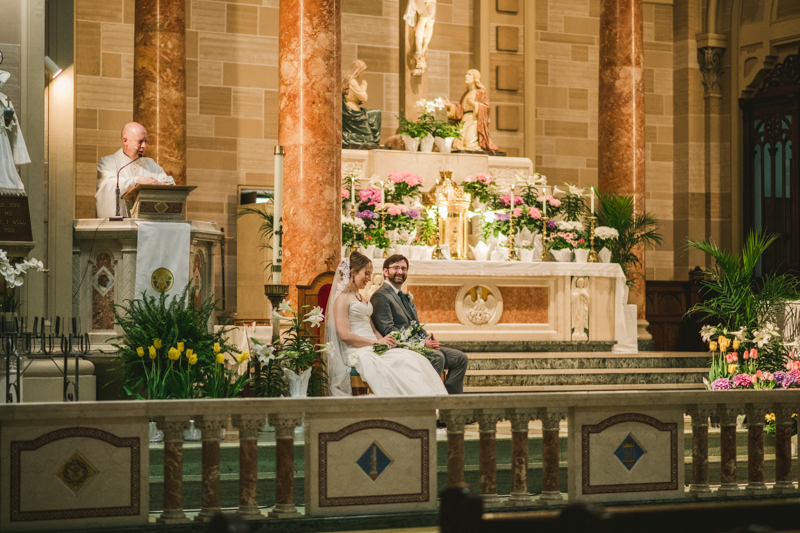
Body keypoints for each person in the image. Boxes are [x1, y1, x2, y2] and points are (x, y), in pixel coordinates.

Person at [326, 252, 448, 397]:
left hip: (373, 346)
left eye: (370, 274)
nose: (369, 278)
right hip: (357, 350)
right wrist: (375, 343)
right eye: (366, 273)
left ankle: (429, 404)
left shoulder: (361, 297)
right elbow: (345, 335)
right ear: (353, 272)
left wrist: (382, 340)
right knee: (402, 363)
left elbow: (373, 328)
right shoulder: (342, 299)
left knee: (415, 359)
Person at [370, 254, 468, 394]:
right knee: (436, 357)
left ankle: (449, 401)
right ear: (385, 271)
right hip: (399, 348)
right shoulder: (381, 295)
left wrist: (428, 340)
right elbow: (389, 331)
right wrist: (422, 345)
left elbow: (415, 326)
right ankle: (428, 399)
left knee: (460, 358)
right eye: (396, 268)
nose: (400, 272)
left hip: (416, 344)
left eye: (404, 268)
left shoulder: (403, 296)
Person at [95, 122, 175, 218]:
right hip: (122, 225)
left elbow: (170, 183)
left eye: (146, 141)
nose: (144, 146)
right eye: (140, 141)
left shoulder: (150, 164)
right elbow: (107, 185)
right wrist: (135, 181)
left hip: (147, 223)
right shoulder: (108, 162)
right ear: (125, 141)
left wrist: (161, 184)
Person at [443, 69, 499, 154]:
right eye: (466, 74)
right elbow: (460, 111)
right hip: (464, 120)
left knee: (469, 144)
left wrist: (475, 104)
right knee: (457, 145)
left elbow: (487, 108)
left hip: (474, 120)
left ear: (475, 78)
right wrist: (450, 106)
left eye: (469, 74)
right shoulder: (466, 94)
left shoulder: (481, 92)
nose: (466, 76)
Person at [341, 60, 382, 146]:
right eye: (362, 71)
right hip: (353, 112)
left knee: (375, 113)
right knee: (368, 137)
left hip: (353, 108)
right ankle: (344, 136)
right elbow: (364, 97)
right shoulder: (352, 81)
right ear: (357, 70)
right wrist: (363, 87)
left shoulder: (348, 80)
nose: (363, 73)